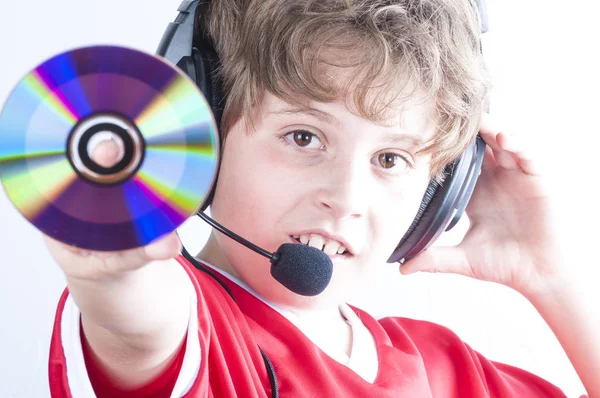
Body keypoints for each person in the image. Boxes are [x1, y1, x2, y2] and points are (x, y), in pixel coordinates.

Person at [45, 0, 597, 397]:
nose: (346, 197)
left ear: (440, 190)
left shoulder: (448, 371)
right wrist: (110, 272)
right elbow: (135, 323)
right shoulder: (193, 328)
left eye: (390, 159)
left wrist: (549, 274)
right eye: (304, 137)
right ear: (204, 130)